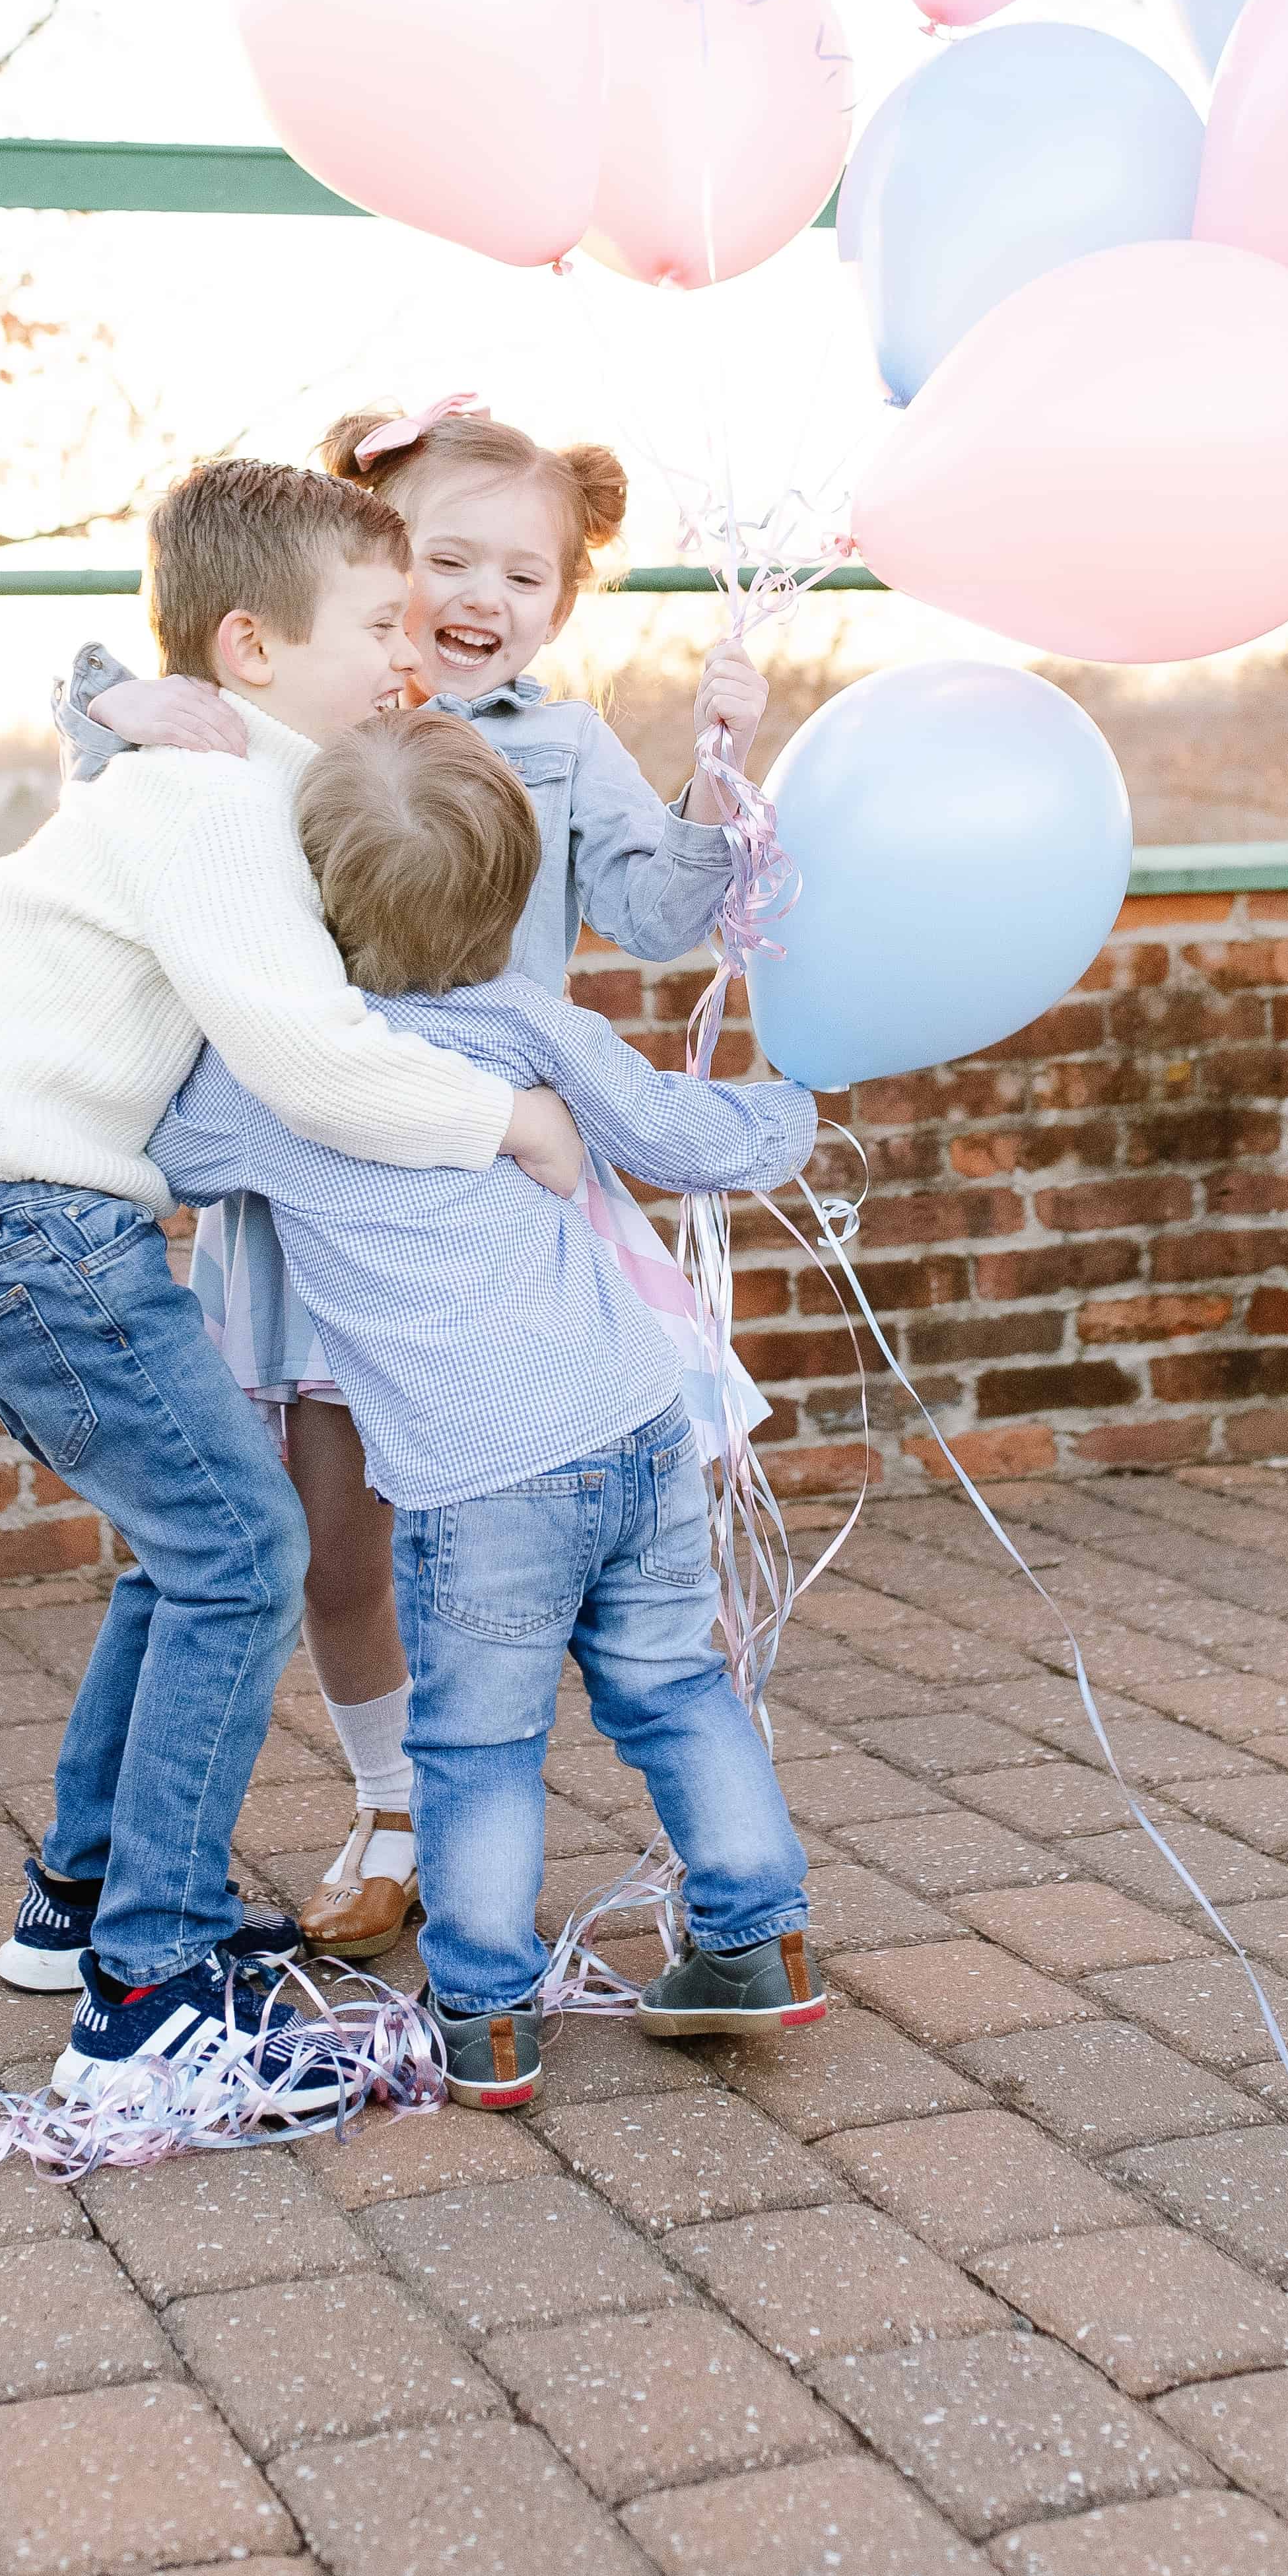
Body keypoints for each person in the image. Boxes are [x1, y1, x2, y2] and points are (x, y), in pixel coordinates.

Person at [0, 455, 586, 2116]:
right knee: (248, 1544)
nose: (404, 658)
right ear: (250, 649)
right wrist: (509, 1120)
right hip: (17, 1206)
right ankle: (148, 2000)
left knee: (187, 1545)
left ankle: (80, 1909)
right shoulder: (209, 800)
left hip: (9, 1204)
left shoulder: (208, 780)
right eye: (378, 625)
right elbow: (308, 1056)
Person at [54, 396, 767, 1961]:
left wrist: (718, 774)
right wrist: (112, 709)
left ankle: (498, 1811)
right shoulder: (295, 718)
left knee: (526, 1498)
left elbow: (655, 918)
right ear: (377, 562)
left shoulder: (562, 745)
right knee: (329, 1527)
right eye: (446, 561)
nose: (481, 602)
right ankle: (392, 1805)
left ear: (564, 604)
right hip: (308, 1176)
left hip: (493, 1191)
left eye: (527, 578)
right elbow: (122, 731)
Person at [153, 704, 825, 2111]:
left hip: (480, 1481)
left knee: (478, 1745)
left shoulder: (291, 1072)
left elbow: (161, 1152)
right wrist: (799, 1108)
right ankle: (759, 1941)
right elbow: (676, 1136)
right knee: (675, 1688)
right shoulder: (532, 1023)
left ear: (309, 902)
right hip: (641, 1424)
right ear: (518, 893)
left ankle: (484, 2009)